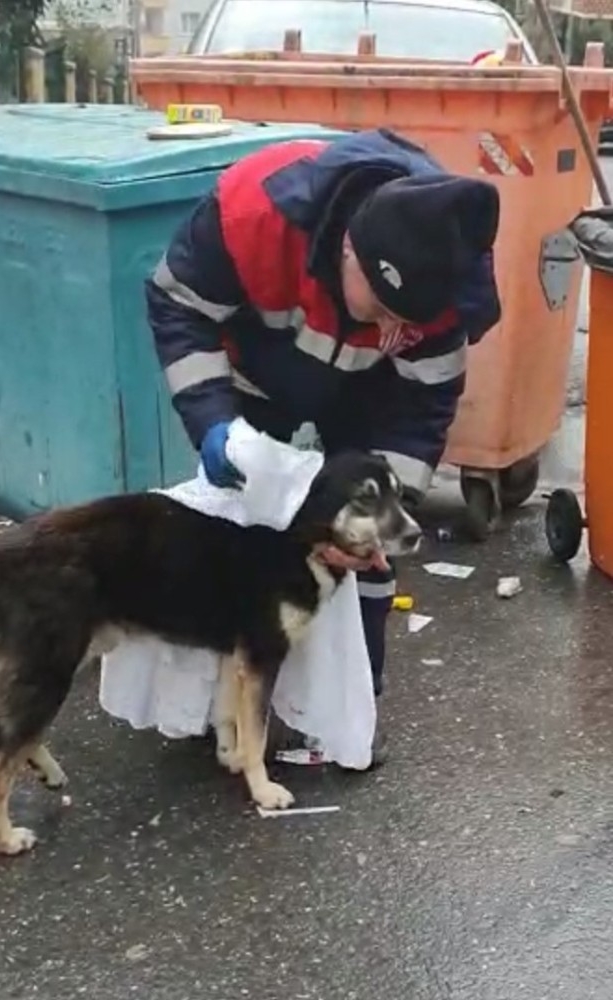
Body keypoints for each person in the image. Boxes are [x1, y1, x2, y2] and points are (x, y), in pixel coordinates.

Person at [145, 127, 501, 764]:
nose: (392, 331)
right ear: (349, 250)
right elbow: (178, 303)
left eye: (407, 324)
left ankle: (346, 710)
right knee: (240, 534)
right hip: (256, 375)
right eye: (384, 310)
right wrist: (212, 419)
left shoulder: (446, 269)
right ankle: (222, 702)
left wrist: (386, 508)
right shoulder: (255, 211)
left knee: (367, 555)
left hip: (370, 396)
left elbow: (422, 410)